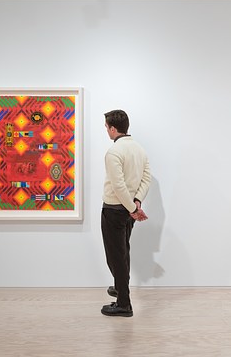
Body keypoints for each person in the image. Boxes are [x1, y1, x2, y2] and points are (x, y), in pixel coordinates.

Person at [100, 110, 151, 317]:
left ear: (113, 128)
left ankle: (123, 304)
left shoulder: (114, 152)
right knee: (122, 252)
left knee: (116, 257)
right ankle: (120, 287)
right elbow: (146, 178)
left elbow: (118, 186)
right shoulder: (139, 149)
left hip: (115, 209)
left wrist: (133, 209)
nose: (106, 130)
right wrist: (136, 203)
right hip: (129, 211)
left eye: (106, 127)